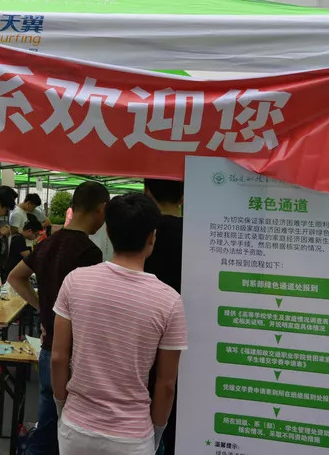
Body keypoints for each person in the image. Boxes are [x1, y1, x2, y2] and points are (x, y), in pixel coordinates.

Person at [52, 193, 186, 455]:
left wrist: (61, 407)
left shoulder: (75, 281)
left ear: (109, 232)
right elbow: (166, 383)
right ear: (152, 237)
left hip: (76, 427)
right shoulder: (169, 300)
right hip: (133, 436)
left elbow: (58, 357)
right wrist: (157, 432)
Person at [8, 181, 109, 455]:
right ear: (101, 209)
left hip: (48, 347)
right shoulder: (90, 253)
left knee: (47, 419)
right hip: (75, 352)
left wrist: (43, 308)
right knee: (68, 430)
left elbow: (15, 277)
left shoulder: (47, 244)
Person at [140, 178, 184, 454]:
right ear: (183, 197)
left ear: (147, 192)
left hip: (144, 335)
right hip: (188, 337)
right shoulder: (200, 233)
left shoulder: (142, 234)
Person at [3, 218, 41, 282]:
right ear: (29, 231)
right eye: (36, 235)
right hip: (11, 271)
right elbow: (28, 256)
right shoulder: (19, 239)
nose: (36, 237)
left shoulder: (17, 236)